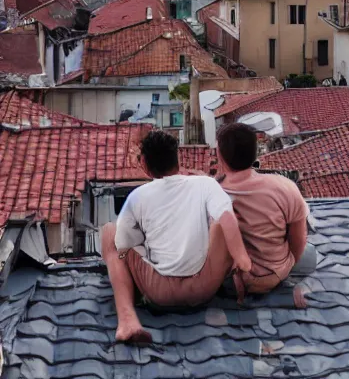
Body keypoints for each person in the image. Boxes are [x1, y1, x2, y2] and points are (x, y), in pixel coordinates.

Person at [101, 131, 251, 343]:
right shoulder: (205, 184)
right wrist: (242, 260)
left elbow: (123, 245)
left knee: (110, 232)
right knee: (221, 224)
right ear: (177, 159)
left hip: (159, 291)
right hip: (203, 287)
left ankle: (127, 320)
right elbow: (227, 219)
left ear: (144, 164)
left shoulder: (138, 197)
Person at [217, 123, 314, 307]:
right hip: (276, 274)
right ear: (255, 154)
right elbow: (298, 240)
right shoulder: (284, 186)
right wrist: (283, 268)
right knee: (310, 255)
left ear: (220, 155)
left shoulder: (214, 192)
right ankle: (281, 290)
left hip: (231, 278)